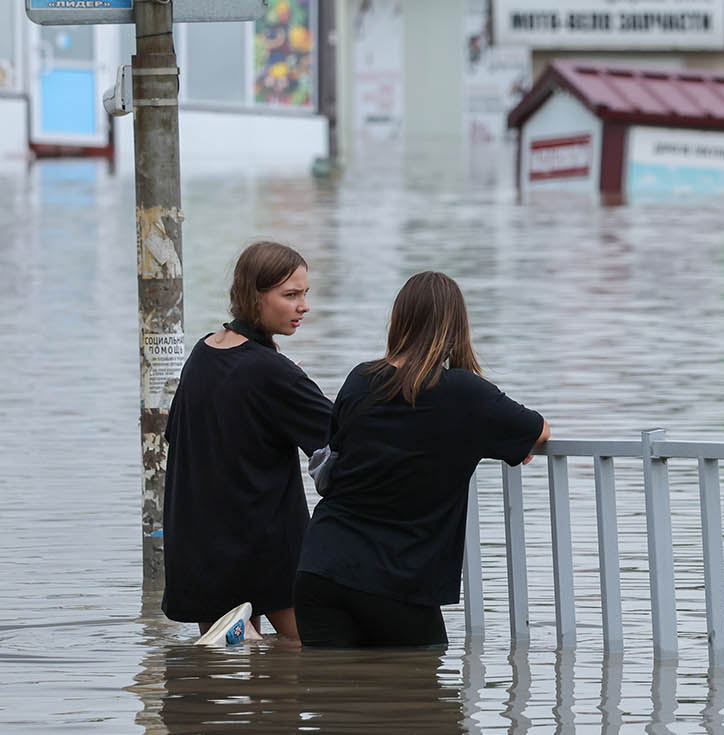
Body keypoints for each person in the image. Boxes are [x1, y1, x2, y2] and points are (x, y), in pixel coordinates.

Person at [295, 271, 550, 648]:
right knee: (424, 699)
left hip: (321, 566)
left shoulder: (360, 379)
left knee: (334, 696)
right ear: (456, 327)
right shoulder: (465, 393)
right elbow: (539, 430)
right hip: (397, 580)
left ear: (401, 320)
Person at [161, 241, 333, 644]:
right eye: (290, 295)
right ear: (254, 298)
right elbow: (345, 434)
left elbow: (179, 435)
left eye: (305, 294)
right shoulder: (274, 372)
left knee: (227, 673)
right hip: (267, 548)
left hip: (200, 549)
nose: (303, 306)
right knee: (303, 656)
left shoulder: (203, 353)